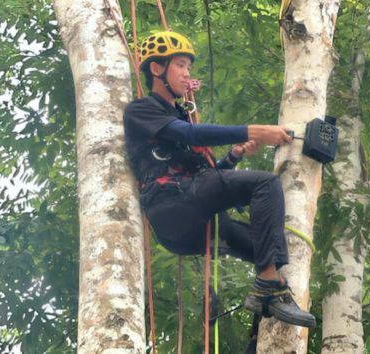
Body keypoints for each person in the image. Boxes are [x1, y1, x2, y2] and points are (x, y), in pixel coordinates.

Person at [122, 31, 315, 328]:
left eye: (188, 67)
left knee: (271, 252)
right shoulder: (141, 110)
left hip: (198, 213)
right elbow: (189, 135)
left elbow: (207, 175)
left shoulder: (180, 117)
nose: (187, 74)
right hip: (172, 204)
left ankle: (265, 312)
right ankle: (266, 286)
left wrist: (234, 156)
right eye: (180, 65)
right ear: (157, 68)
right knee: (265, 183)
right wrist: (253, 131)